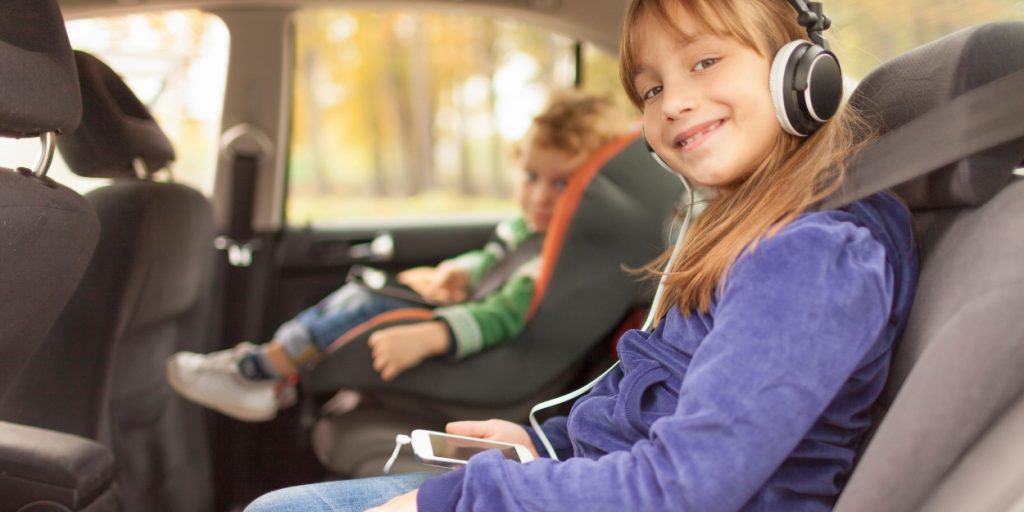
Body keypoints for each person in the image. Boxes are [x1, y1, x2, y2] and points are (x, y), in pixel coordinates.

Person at [244, 0, 919, 510]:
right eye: (651, 88)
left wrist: (450, 501)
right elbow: (654, 406)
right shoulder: (746, 234)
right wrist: (543, 446)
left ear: (801, 74)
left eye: (705, 61)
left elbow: (681, 487)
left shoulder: (809, 259)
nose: (675, 102)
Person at [166, 90, 631, 422]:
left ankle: (259, 372)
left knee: (363, 305)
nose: (539, 196)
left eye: (562, 184)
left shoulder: (554, 259)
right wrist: (455, 272)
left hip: (467, 346)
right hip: (458, 313)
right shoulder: (527, 233)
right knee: (353, 295)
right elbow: (492, 260)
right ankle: (271, 372)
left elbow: (500, 316)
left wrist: (431, 335)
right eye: (531, 175)